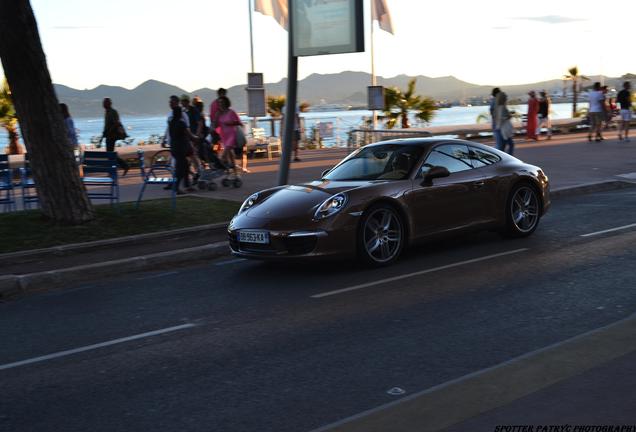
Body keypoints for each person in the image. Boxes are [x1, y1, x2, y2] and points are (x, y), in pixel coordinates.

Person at [167, 100, 197, 194]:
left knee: (185, 166)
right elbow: (189, 135)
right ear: (180, 114)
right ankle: (177, 188)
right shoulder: (181, 123)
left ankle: (187, 185)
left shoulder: (171, 122)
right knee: (181, 168)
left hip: (174, 148)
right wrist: (197, 138)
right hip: (180, 149)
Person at [101, 98, 130, 175]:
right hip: (108, 136)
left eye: (105, 103)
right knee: (110, 154)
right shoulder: (107, 112)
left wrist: (109, 131)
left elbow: (115, 123)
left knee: (110, 154)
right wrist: (104, 134)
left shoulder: (113, 112)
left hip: (112, 136)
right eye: (103, 103)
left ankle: (122, 166)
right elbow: (107, 125)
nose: (103, 104)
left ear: (109, 103)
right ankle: (123, 166)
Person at [216, 96, 243, 178]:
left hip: (232, 134)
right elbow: (216, 124)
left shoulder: (231, 112)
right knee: (230, 155)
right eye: (219, 102)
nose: (220, 104)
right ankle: (234, 172)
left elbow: (239, 123)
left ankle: (219, 167)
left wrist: (231, 123)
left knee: (224, 154)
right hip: (224, 135)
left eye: (222, 102)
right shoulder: (219, 113)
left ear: (226, 103)